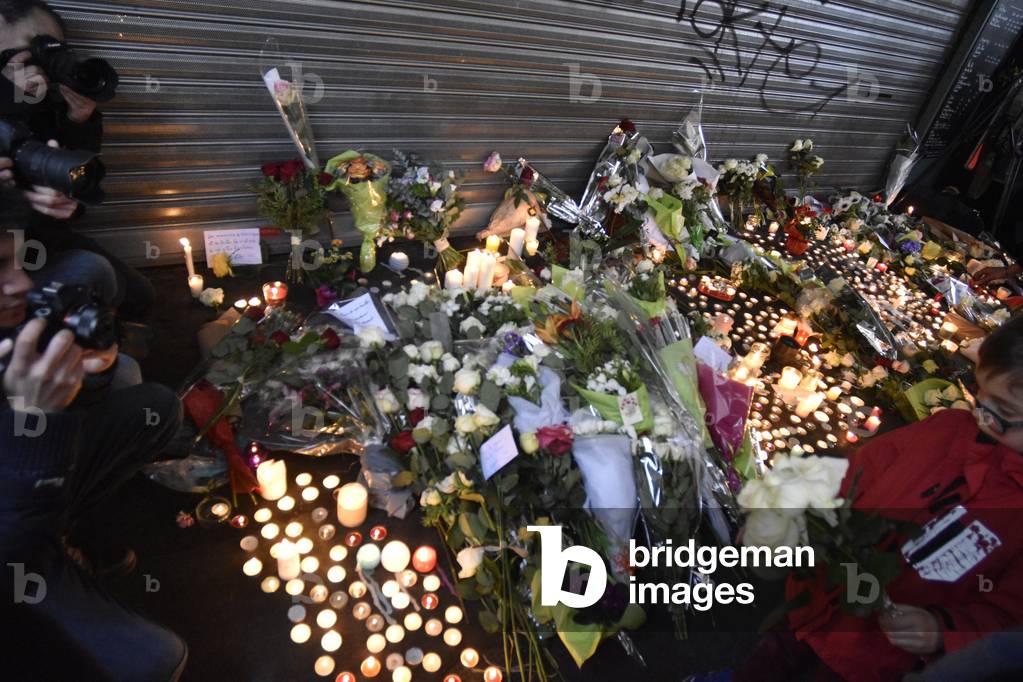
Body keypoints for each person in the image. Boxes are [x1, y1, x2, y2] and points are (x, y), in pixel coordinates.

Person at [736, 316, 1023, 682]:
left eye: (1002, 413)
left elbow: (1009, 615)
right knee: (766, 663)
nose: (980, 413)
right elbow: (856, 472)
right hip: (817, 600)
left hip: (874, 656)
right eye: (977, 392)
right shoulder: (948, 429)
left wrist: (943, 628)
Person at [0, 190, 186, 679]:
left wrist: (88, 372)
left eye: (15, 261)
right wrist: (34, 420)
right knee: (154, 661)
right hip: (12, 539)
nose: (20, 283)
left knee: (160, 409)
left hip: (27, 477)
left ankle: (69, 529)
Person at [0, 0, 154, 319]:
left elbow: (79, 190)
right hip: (11, 262)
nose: (44, 62)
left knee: (141, 295)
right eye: (34, 49)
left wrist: (79, 120)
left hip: (42, 242)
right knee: (90, 273)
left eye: (52, 50)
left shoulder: (43, 102)